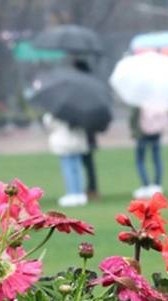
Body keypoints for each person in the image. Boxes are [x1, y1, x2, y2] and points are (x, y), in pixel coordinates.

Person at [43, 113, 88, 207]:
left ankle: (72, 193)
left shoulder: (58, 112)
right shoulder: (79, 111)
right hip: (76, 142)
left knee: (68, 169)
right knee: (76, 169)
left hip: (64, 142)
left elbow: (49, 124)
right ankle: (79, 193)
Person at [129, 106, 168, 199]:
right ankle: (157, 185)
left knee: (140, 161)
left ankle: (146, 186)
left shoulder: (139, 101)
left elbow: (134, 117)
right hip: (156, 132)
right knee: (157, 159)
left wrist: (133, 131)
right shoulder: (157, 100)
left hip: (142, 133)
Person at [72, 58, 100, 200]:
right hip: (90, 131)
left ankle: (81, 190)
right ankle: (92, 188)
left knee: (80, 162)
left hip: (82, 131)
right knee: (88, 162)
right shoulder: (92, 87)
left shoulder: (78, 89)